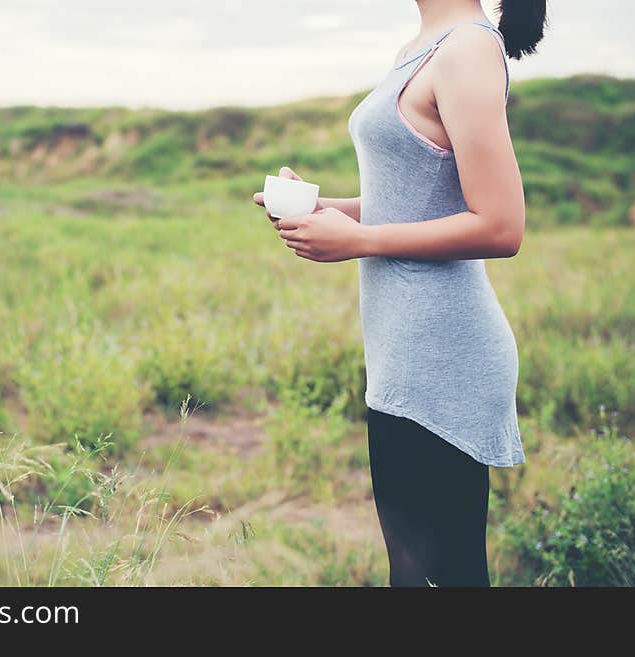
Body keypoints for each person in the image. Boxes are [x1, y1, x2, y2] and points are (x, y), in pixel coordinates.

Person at [252, 0, 548, 586]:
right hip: (400, 350)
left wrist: (360, 241)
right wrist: (324, 210)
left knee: (442, 576)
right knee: (413, 572)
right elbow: (414, 200)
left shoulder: (467, 48)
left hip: (443, 352)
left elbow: (501, 225)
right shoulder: (423, 44)